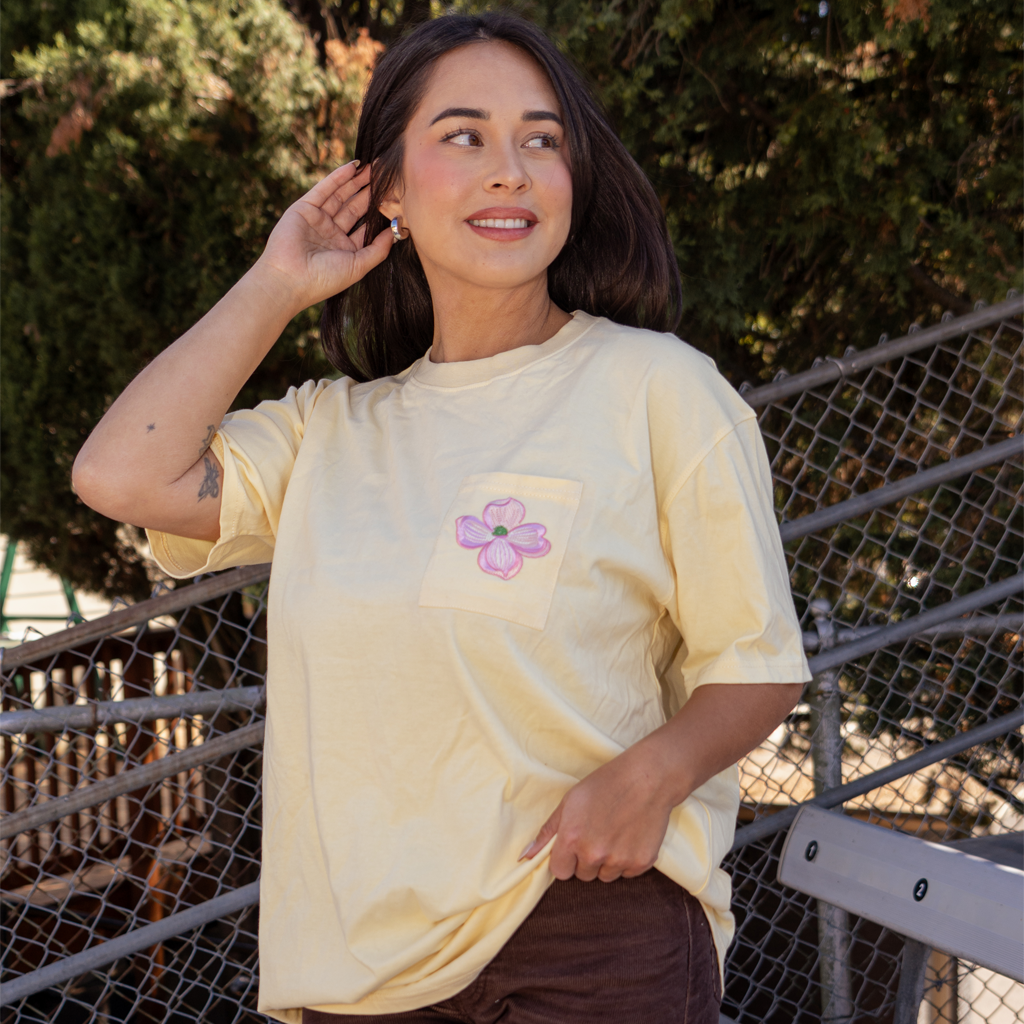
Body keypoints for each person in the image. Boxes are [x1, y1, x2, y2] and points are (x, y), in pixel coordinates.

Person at [73, 12, 810, 1024]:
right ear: (387, 193)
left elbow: (756, 660)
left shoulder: (660, 391)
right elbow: (120, 473)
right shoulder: (326, 434)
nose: (507, 169)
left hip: (586, 934)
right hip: (360, 972)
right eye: (462, 135)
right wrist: (279, 279)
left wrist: (652, 775)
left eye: (540, 139)